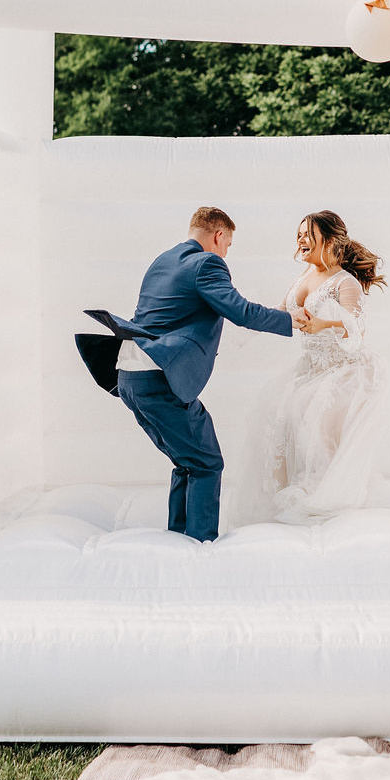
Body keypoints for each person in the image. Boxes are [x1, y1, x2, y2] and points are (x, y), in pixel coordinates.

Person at [78, 206, 300, 542]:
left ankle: (178, 542)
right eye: (228, 244)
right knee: (206, 464)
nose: (226, 252)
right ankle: (199, 547)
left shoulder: (162, 261)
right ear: (218, 235)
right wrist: (291, 320)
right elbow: (239, 310)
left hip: (128, 377)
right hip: (158, 377)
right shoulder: (208, 263)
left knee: (188, 461)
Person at [260, 209, 390, 524]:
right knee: (281, 419)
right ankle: (293, 492)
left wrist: (322, 324)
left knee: (316, 434)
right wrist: (243, 316)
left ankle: (323, 499)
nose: (301, 239)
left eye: (309, 233)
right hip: (309, 369)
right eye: (300, 232)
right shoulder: (304, 277)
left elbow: (357, 327)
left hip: (342, 373)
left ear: (330, 240)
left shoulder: (344, 282)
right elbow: (280, 312)